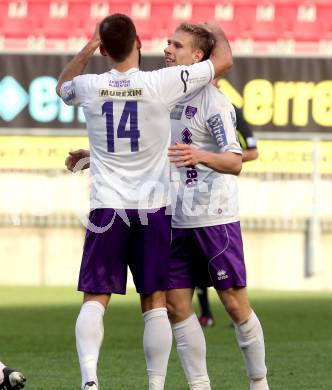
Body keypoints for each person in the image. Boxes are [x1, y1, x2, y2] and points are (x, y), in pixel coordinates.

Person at [56, 14, 232, 390]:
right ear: (139, 43)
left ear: (104, 49)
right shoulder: (160, 83)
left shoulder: (88, 86)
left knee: (95, 297)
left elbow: (62, 86)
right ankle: (155, 386)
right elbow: (222, 62)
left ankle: (89, 380)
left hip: (107, 208)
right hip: (153, 209)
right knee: (154, 300)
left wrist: (90, 45)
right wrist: (214, 27)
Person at [165, 24, 269, 390]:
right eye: (167, 42)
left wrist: (200, 155)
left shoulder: (215, 102)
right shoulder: (166, 94)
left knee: (234, 306)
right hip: (174, 219)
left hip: (215, 220)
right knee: (176, 307)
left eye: (176, 44)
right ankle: (199, 385)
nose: (168, 48)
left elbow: (235, 161)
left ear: (197, 58)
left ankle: (259, 383)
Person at [196, 105, 259, 328]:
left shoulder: (228, 109)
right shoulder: (176, 100)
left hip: (220, 199)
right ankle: (205, 313)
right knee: (194, 264)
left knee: (227, 271)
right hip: (188, 197)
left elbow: (252, 151)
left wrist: (215, 160)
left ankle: (239, 312)